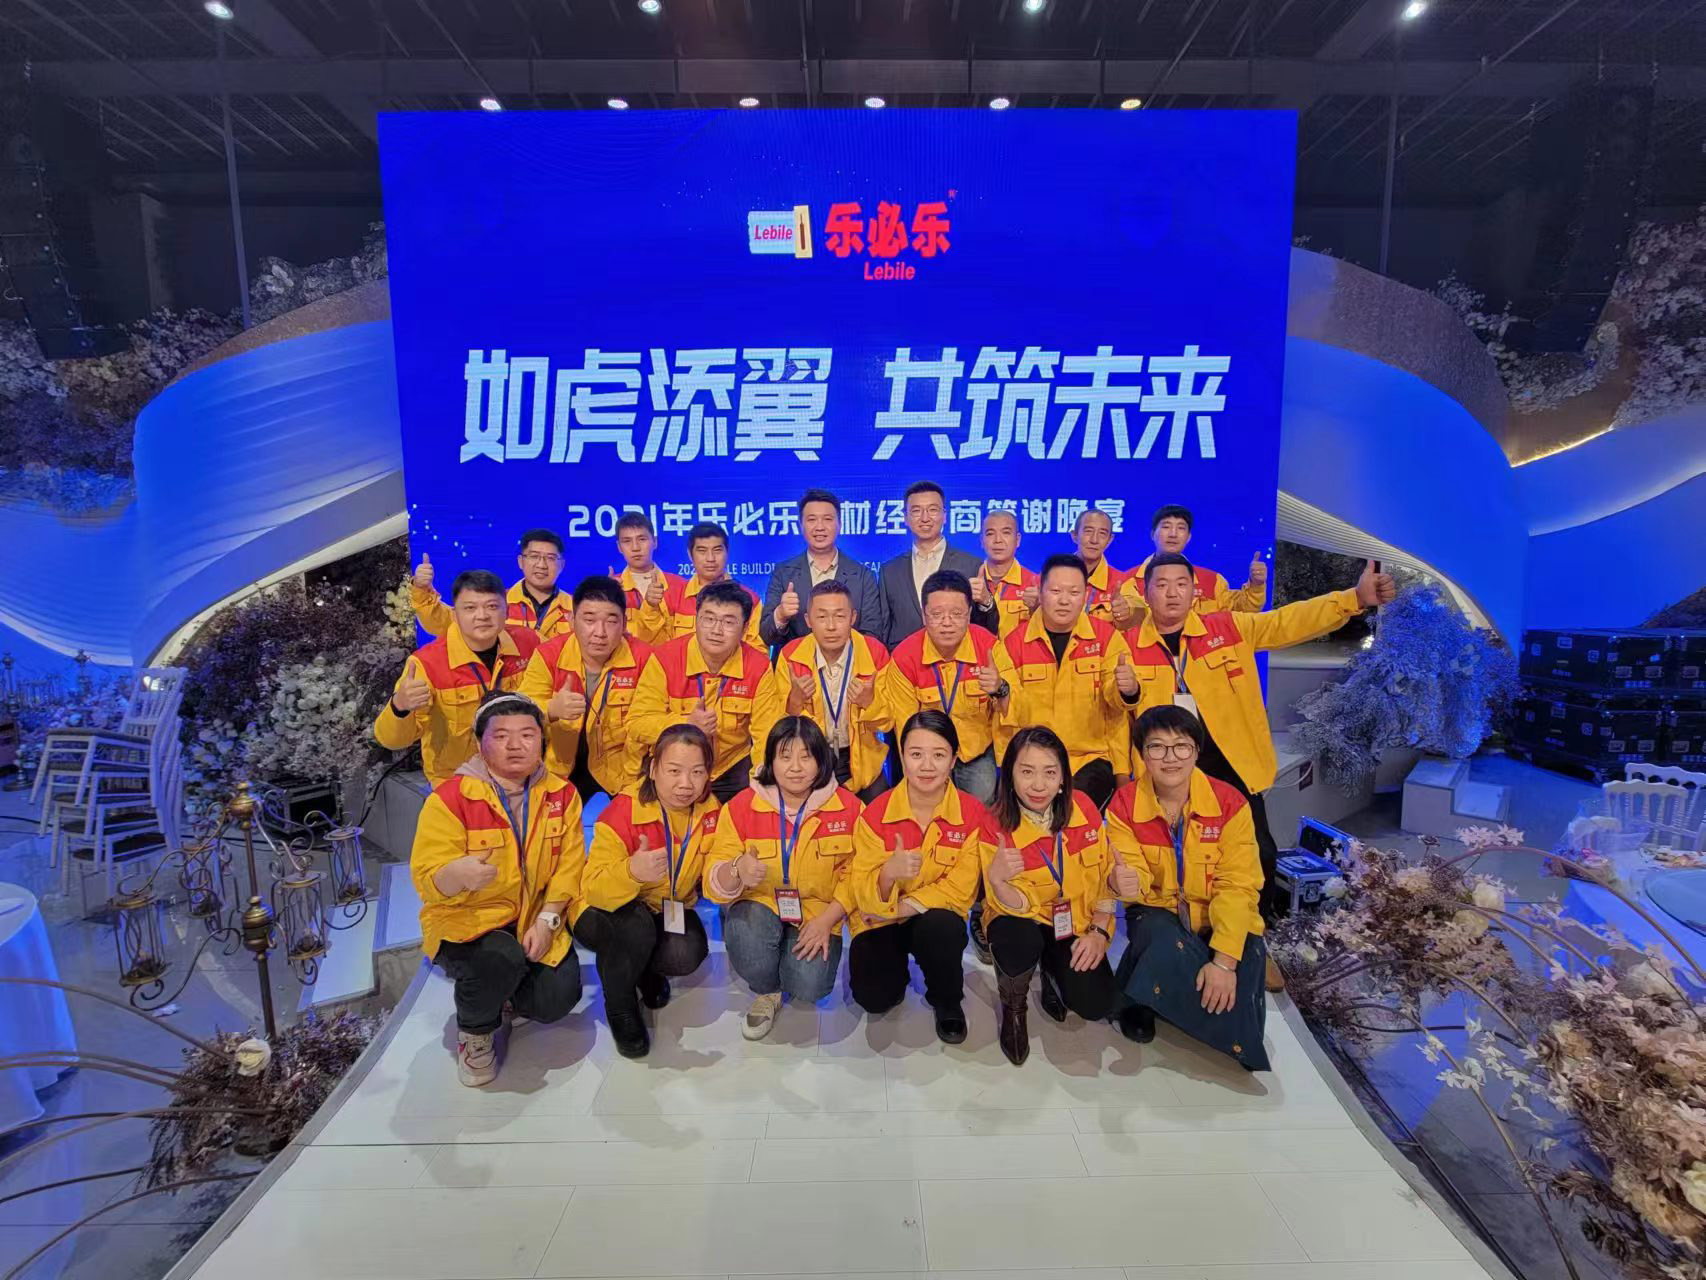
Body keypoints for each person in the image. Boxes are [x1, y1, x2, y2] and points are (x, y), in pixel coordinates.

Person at [1122, 552, 1396, 934]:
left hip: (1229, 764)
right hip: (1168, 773)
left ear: (1194, 591)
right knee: (1177, 859)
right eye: (1161, 585)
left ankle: (1255, 933)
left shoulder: (1228, 627)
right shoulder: (1127, 646)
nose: (1171, 593)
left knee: (1259, 852)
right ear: (1146, 593)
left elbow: (1288, 622)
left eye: (1181, 584)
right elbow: (1114, 713)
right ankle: (1182, 936)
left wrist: (1353, 598)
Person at [409, 693, 584, 1087]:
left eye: (527, 734)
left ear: (543, 740)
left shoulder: (562, 794)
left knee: (556, 998)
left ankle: (505, 994)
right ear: (479, 742)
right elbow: (426, 878)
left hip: (532, 920)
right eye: (501, 736)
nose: (516, 745)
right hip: (468, 924)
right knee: (498, 958)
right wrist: (456, 874)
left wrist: (547, 921)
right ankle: (475, 1032)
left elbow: (569, 869)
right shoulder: (450, 799)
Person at [1105, 706, 1270, 1070]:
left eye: (1181, 746)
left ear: (1196, 751)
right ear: (1142, 754)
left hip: (1215, 909)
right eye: (1157, 747)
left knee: (1246, 951)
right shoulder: (1125, 804)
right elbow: (1132, 873)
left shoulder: (1229, 803)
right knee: (1158, 934)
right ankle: (1145, 1002)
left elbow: (1238, 885)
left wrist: (1223, 963)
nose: (1170, 757)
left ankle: (1147, 991)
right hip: (1158, 909)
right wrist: (1122, 881)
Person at [703, 717, 861, 1040]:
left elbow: (858, 875)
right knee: (745, 936)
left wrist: (828, 919)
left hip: (817, 912)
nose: (796, 767)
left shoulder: (849, 808)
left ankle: (791, 964)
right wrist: (737, 868)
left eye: (806, 756)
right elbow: (712, 881)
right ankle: (768, 992)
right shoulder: (741, 807)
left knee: (809, 984)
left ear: (821, 760)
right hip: (760, 904)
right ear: (770, 761)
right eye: (785, 756)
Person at [574, 723, 721, 1058]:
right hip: (602, 910)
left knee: (685, 952)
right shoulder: (623, 811)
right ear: (653, 769)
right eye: (674, 771)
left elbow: (716, 864)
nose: (686, 784)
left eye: (697, 772)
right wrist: (632, 872)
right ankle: (620, 1006)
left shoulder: (710, 810)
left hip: (663, 906)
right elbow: (593, 888)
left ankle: (643, 970)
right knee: (634, 928)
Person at [981, 727, 1118, 1066]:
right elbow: (1012, 901)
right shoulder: (993, 823)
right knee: (1017, 937)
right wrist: (997, 881)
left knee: (1096, 1002)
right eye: (1027, 772)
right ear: (1010, 776)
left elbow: (1105, 875)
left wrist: (1099, 930)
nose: (1039, 785)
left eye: (1050, 772)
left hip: (1071, 921)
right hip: (1019, 917)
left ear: (1062, 778)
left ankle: (1053, 976)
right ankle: (1014, 1007)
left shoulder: (1083, 808)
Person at [849, 710, 984, 1043]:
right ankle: (895, 973)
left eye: (938, 755)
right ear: (902, 757)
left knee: (944, 927)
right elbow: (862, 892)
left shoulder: (972, 814)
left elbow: (960, 891)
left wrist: (901, 908)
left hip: (924, 917)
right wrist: (887, 874)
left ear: (953, 760)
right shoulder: (875, 813)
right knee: (874, 997)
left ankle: (946, 998)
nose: (926, 766)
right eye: (916, 754)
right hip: (879, 920)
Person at [991, 553, 1138, 811]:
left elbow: (1116, 710)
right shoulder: (1013, 644)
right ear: (1040, 591)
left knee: (1071, 814)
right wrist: (1007, 769)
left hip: (1090, 759)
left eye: (1074, 592)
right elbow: (1008, 715)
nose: (1064, 600)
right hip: (1032, 760)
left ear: (1085, 595)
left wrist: (1128, 690)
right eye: (1055, 591)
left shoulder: (1107, 638)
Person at [375, 570, 540, 786]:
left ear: (507, 611)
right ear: (455, 614)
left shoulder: (530, 643)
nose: (482, 616)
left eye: (492, 606)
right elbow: (391, 741)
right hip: (457, 784)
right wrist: (400, 706)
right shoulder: (427, 664)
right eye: (470, 608)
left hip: (521, 775)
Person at [628, 580, 781, 803]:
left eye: (728, 622)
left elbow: (766, 735)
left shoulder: (758, 666)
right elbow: (637, 723)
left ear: (745, 628)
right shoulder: (665, 659)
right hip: (677, 763)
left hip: (730, 767)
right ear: (696, 619)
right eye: (708, 619)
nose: (716, 630)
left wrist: (761, 788)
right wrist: (685, 724)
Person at [518, 575, 651, 802]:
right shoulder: (549, 655)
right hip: (559, 766)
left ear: (624, 624)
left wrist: (634, 779)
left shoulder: (644, 659)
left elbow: (649, 721)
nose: (600, 632)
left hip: (621, 768)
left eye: (611, 621)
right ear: (572, 620)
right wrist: (551, 709)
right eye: (589, 620)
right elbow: (519, 713)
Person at [757, 581, 892, 803]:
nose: (831, 626)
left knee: (882, 814)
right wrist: (794, 702)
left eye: (839, 616)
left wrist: (870, 702)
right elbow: (777, 728)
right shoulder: (791, 656)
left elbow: (887, 724)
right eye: (821, 617)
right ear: (808, 620)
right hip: (811, 759)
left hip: (863, 763)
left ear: (853, 618)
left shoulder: (874, 652)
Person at [882, 570, 1002, 804]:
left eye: (956, 614)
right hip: (928, 753)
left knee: (981, 807)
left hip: (975, 752)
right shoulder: (905, 657)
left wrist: (1000, 689)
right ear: (924, 616)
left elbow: (1014, 706)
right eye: (937, 614)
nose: (947, 623)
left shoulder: (989, 647)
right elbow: (905, 728)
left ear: (969, 614)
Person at [876, 481, 999, 648]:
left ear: (945, 516)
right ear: (905, 518)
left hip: (956, 659)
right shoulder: (889, 571)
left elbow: (987, 631)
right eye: (916, 511)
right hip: (905, 660)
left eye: (933, 510)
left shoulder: (971, 565)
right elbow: (883, 630)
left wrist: (986, 601)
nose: (925, 518)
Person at [761, 489, 887, 649]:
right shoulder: (783, 573)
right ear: (801, 525)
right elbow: (766, 636)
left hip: (850, 663)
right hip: (796, 663)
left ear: (840, 524)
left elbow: (872, 635)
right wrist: (780, 615)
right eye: (811, 519)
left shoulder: (863, 576)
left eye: (827, 519)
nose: (819, 527)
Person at [1113, 504, 1266, 628]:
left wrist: (1256, 585)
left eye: (1181, 528)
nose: (1173, 534)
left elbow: (1242, 612)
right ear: (1153, 534)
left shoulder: (1212, 581)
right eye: (1166, 527)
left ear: (1188, 537)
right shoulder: (1128, 579)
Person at [411, 529, 572, 641]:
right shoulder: (495, 602)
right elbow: (442, 622)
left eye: (550, 558)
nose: (541, 565)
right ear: (521, 561)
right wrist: (422, 589)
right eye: (534, 556)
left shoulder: (576, 609)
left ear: (562, 564)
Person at [658, 522, 763, 647]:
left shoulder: (750, 599)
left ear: (727, 552)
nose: (710, 558)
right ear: (690, 555)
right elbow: (661, 648)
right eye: (702, 551)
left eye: (717, 550)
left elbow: (757, 650)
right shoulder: (673, 598)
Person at [612, 511, 683, 646]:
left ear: (654, 541)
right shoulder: (611, 588)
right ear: (619, 547)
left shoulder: (680, 586)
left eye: (642, 539)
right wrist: (607, 599)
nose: (635, 548)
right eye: (627, 541)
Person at [973, 507, 1039, 638]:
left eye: (1006, 533)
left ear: (1017, 540)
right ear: (982, 541)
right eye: (990, 534)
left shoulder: (1034, 583)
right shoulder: (970, 580)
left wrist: (1037, 610)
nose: (998, 540)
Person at [1069, 508, 1128, 625]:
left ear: (1110, 540)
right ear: (1074, 535)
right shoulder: (1051, 578)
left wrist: (1128, 614)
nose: (1094, 540)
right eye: (1088, 531)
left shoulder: (1122, 583)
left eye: (1102, 533)